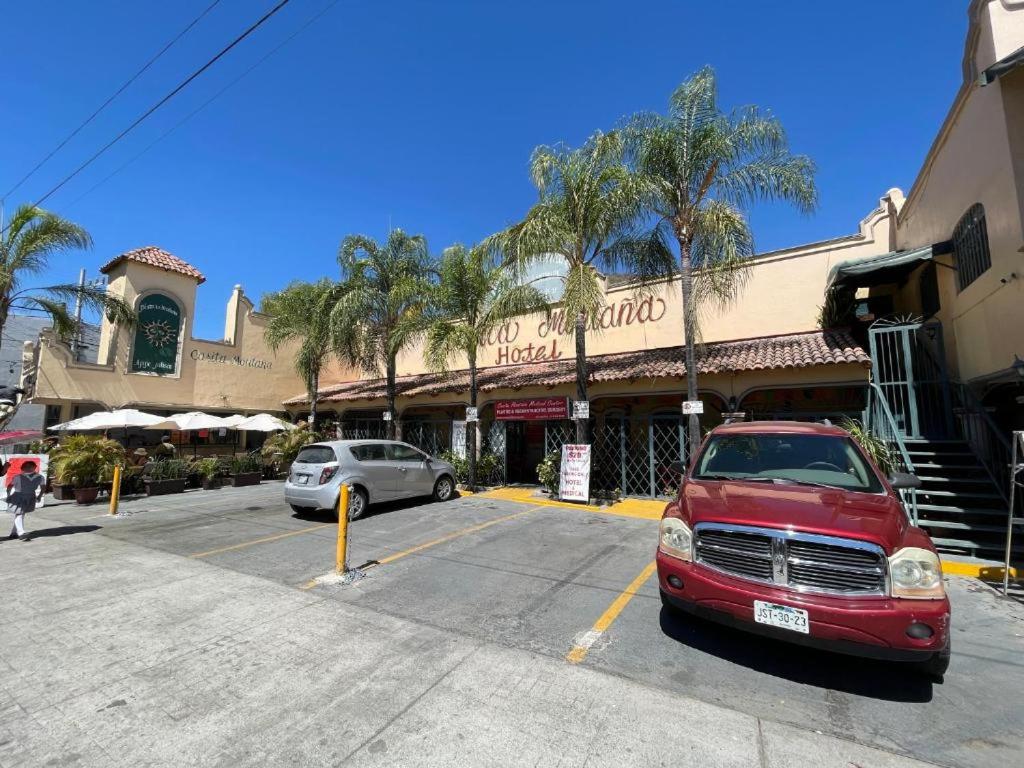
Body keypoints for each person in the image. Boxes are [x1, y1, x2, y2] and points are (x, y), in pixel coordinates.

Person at [6, 460, 45, 542]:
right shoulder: (39, 477)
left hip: (28, 496)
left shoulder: (40, 477)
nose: (28, 468)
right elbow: (9, 486)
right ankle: (21, 533)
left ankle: (14, 533)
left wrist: (8, 494)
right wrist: (9, 495)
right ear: (22, 468)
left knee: (20, 514)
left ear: (34, 467)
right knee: (19, 514)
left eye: (30, 466)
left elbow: (9, 487)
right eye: (26, 466)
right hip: (20, 497)